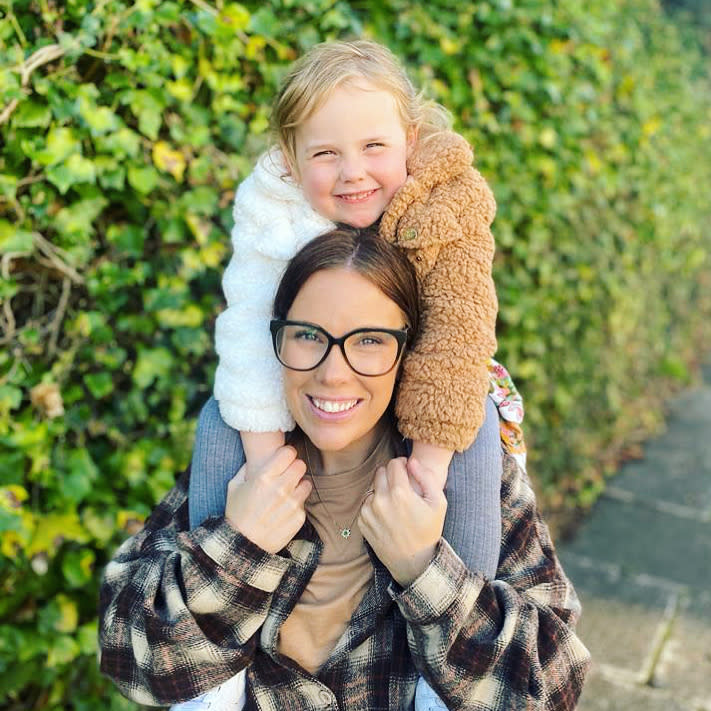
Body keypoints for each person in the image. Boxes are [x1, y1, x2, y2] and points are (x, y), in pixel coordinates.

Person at [99, 228, 590, 710]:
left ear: (407, 350)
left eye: (370, 341)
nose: (334, 373)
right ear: (275, 339)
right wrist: (238, 550)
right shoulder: (238, 470)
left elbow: (551, 686)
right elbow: (128, 658)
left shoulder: (471, 479)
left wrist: (424, 570)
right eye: (309, 335)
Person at [188, 39, 512, 706]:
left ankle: (443, 674)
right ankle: (215, 670)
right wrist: (263, 478)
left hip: (427, 377)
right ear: (289, 155)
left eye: (372, 148)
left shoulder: (445, 197)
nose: (351, 173)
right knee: (221, 418)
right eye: (324, 153)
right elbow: (250, 333)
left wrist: (423, 484)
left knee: (474, 423)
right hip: (323, 382)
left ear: (410, 139)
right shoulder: (271, 206)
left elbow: (457, 332)